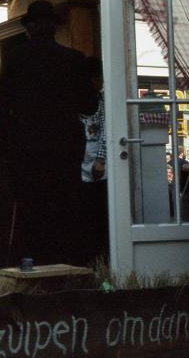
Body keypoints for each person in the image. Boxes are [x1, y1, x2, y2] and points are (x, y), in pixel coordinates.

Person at [0, 0, 97, 265]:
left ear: (29, 28)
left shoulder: (15, 58)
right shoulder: (73, 59)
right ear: (54, 28)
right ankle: (64, 265)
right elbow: (89, 105)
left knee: (31, 211)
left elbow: (3, 107)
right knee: (64, 210)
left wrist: (3, 149)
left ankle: (33, 265)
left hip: (26, 150)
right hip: (64, 149)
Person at [77, 56, 108, 265]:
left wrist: (101, 159)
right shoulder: (76, 99)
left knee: (98, 210)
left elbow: (107, 130)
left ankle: (101, 257)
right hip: (79, 161)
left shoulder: (103, 101)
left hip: (96, 161)